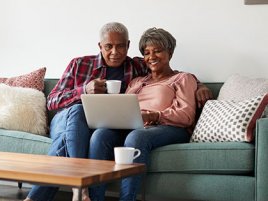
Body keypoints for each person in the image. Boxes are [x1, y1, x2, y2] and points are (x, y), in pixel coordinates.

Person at [24, 22, 212, 201]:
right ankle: (85, 190)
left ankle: (80, 190)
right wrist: (83, 91)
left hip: (157, 125)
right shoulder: (86, 66)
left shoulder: (144, 69)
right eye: (109, 46)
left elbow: (182, 91)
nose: (115, 52)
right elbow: (52, 101)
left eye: (121, 46)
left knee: (110, 135)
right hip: (67, 118)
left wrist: (199, 86)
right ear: (100, 46)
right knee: (86, 119)